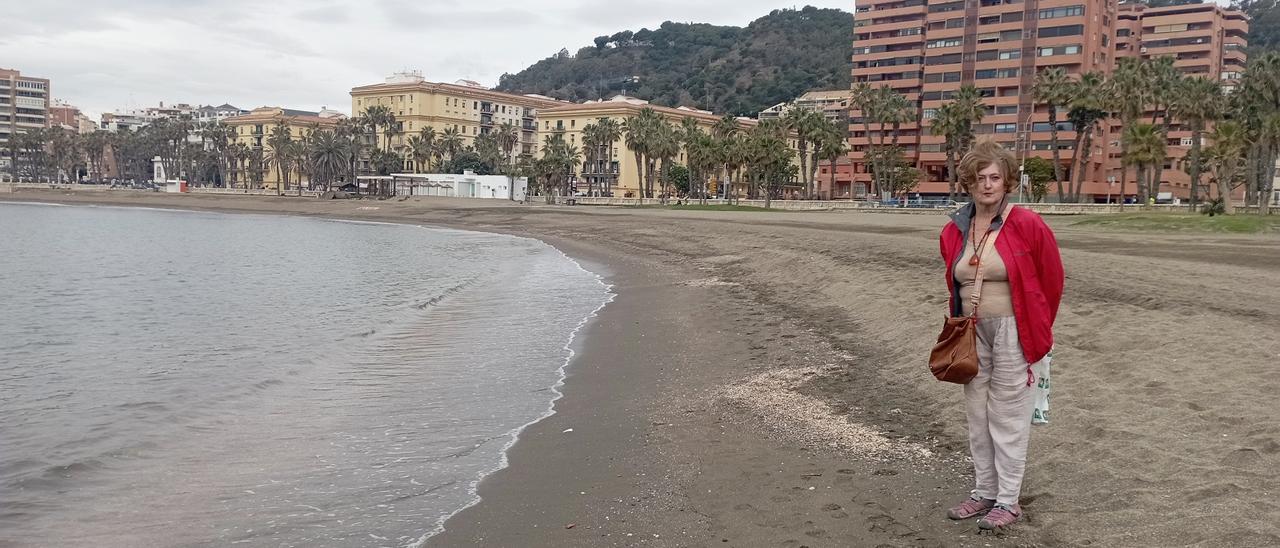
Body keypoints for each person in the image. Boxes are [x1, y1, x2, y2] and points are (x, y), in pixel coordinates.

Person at [938, 140, 1064, 530]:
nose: (987, 185)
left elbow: (1051, 280)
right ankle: (983, 492)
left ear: (1007, 181)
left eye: (994, 177)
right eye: (979, 178)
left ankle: (1008, 500)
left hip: (1014, 328)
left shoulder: (1026, 224)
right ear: (968, 183)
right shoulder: (954, 229)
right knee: (978, 414)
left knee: (1008, 416)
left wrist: (1037, 329)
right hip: (971, 332)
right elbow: (953, 277)